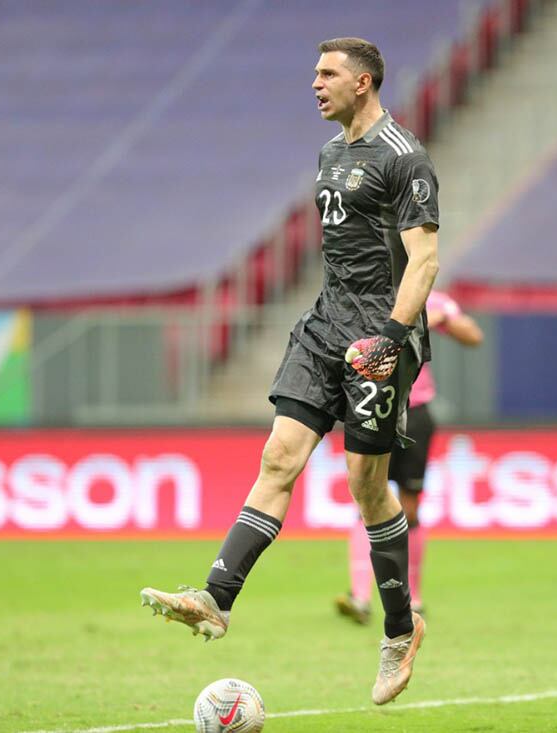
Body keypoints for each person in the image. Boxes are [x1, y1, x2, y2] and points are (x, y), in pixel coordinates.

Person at [140, 37, 440, 707]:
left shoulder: (404, 158)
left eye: (328, 73)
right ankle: (215, 598)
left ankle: (399, 630)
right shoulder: (330, 154)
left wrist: (391, 339)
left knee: (367, 484)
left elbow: (424, 262)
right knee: (279, 457)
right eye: (314, 72)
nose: (315, 83)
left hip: (378, 338)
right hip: (324, 327)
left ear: (363, 82)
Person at [336, 290, 482, 625]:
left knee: (410, 505)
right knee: (367, 500)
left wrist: (442, 318)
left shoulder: (430, 300)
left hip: (415, 413)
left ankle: (413, 598)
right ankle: (360, 596)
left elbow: (473, 336)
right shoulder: (365, 300)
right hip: (374, 407)